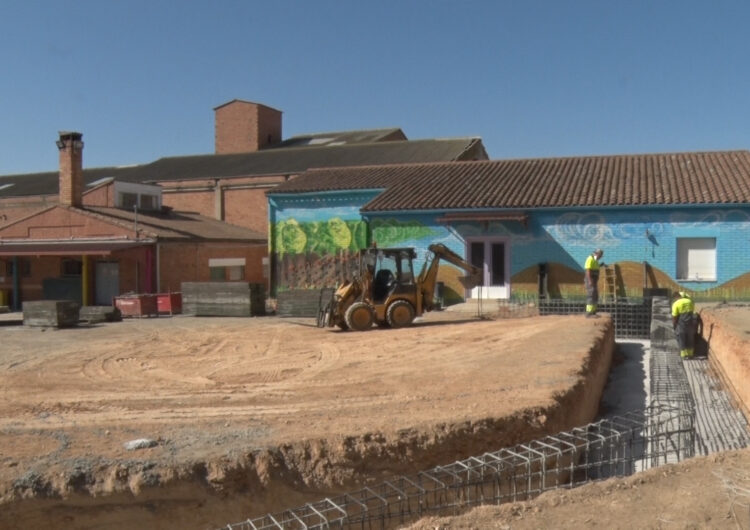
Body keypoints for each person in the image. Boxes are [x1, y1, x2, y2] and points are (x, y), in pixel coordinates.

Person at [671, 291, 698, 359]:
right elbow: (692, 311)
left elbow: (675, 317)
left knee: (681, 338)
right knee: (690, 338)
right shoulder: (690, 301)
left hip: (681, 324)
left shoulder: (676, 303)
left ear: (676, 297)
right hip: (691, 323)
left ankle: (683, 355)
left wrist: (674, 326)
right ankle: (690, 354)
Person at [584, 249, 604, 317]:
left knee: (595, 295)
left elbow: (595, 268)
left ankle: (593, 312)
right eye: (600, 256)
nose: (600, 257)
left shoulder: (595, 261)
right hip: (590, 279)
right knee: (591, 294)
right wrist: (590, 281)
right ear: (596, 254)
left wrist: (601, 265)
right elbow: (588, 270)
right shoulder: (590, 259)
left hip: (594, 280)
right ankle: (589, 313)